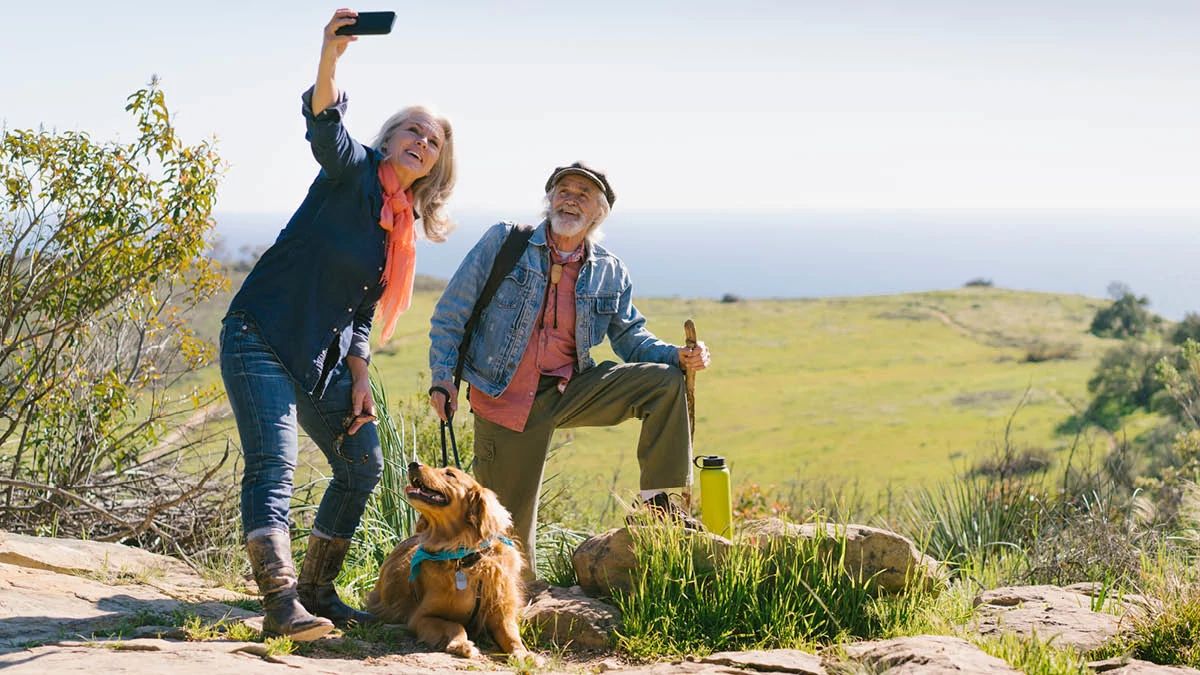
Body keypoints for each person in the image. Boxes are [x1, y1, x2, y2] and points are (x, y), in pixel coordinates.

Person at [220, 8, 456, 640]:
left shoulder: (395, 227)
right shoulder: (350, 172)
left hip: (318, 360)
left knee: (363, 463)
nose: (422, 142)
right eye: (412, 130)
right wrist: (330, 54)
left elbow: (359, 315)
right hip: (260, 336)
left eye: (433, 140)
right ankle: (280, 603)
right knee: (275, 462)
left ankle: (319, 593)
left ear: (435, 164)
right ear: (388, 138)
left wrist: (359, 377)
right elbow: (325, 123)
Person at [428, 162, 712, 575]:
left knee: (664, 383)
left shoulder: (609, 271)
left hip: (570, 388)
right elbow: (451, 313)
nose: (571, 199)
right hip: (504, 396)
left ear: (599, 212)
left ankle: (655, 503)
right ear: (550, 199)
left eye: (584, 194)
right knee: (507, 534)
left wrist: (679, 357)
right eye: (564, 190)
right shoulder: (505, 241)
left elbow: (632, 340)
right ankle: (500, 611)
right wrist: (442, 378)